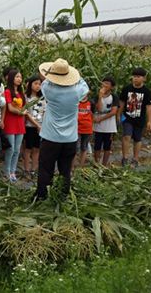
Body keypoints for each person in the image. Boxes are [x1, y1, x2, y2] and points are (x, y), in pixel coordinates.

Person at [34, 58, 89, 201]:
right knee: (65, 170)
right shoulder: (77, 91)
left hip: (50, 137)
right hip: (70, 138)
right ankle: (63, 195)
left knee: (46, 168)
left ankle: (43, 196)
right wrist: (75, 74)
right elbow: (84, 85)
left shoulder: (48, 89)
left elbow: (45, 78)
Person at [118, 67, 151, 168]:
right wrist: (118, 115)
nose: (135, 79)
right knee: (126, 136)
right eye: (134, 76)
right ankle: (125, 158)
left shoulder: (147, 92)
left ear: (144, 79)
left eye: (138, 77)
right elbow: (122, 103)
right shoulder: (127, 89)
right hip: (127, 117)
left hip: (140, 119)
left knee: (137, 139)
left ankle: (135, 159)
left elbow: (149, 107)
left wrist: (150, 121)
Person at [3, 69, 26, 183]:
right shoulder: (7, 91)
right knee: (10, 149)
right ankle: (6, 171)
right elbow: (10, 108)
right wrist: (21, 112)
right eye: (17, 77)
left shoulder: (21, 93)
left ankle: (13, 171)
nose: (19, 79)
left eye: (20, 77)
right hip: (10, 123)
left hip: (20, 123)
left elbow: (24, 107)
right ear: (11, 78)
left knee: (17, 150)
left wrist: (23, 112)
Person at [92, 76, 119, 166]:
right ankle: (96, 164)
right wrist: (100, 97)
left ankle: (104, 165)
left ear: (112, 87)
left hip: (109, 125)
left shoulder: (114, 97)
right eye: (103, 83)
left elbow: (113, 111)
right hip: (98, 126)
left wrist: (101, 118)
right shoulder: (97, 96)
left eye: (107, 83)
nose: (104, 85)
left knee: (107, 145)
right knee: (97, 145)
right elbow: (99, 109)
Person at [23, 75, 45, 177]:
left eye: (40, 84)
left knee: (37, 148)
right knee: (28, 148)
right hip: (29, 127)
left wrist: (42, 125)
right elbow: (26, 113)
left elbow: (45, 111)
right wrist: (36, 125)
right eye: (35, 83)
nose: (38, 86)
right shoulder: (26, 97)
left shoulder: (42, 98)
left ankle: (34, 169)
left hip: (41, 127)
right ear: (30, 84)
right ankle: (26, 169)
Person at [75, 91, 95, 168]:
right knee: (75, 148)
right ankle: (72, 168)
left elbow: (93, 115)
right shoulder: (76, 102)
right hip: (77, 129)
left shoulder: (91, 103)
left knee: (84, 147)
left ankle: (81, 167)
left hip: (87, 129)